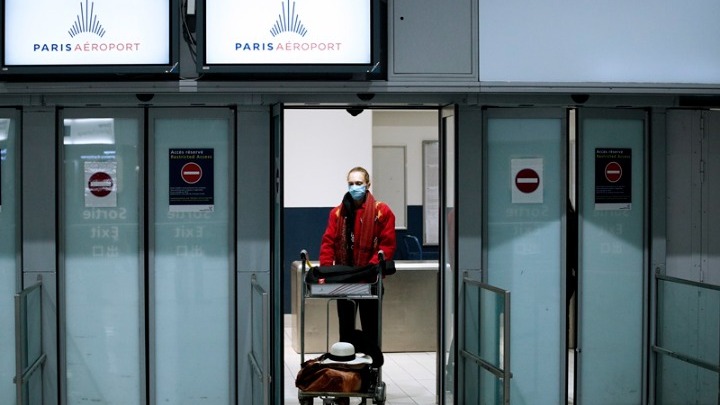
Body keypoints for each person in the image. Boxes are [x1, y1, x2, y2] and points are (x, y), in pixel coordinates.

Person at [319, 166, 396, 367]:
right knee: (345, 331)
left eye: (359, 183)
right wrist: (326, 272)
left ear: (368, 185)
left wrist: (369, 269)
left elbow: (387, 245)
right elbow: (328, 243)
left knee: (371, 330)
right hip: (344, 280)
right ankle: (347, 372)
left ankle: (371, 372)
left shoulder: (382, 211)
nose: (355, 187)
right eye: (351, 183)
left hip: (370, 280)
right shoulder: (338, 213)